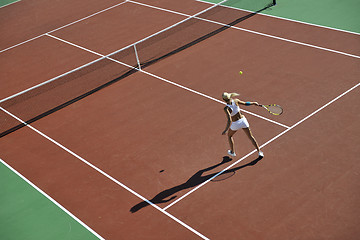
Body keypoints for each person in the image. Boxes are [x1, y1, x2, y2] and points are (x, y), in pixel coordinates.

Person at [221, 92, 264, 158]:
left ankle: (232, 152)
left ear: (224, 100)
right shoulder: (236, 100)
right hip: (243, 121)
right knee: (251, 137)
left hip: (236, 124)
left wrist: (226, 130)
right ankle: (259, 152)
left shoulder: (226, 109)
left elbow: (229, 120)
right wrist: (253, 103)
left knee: (229, 136)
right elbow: (245, 103)